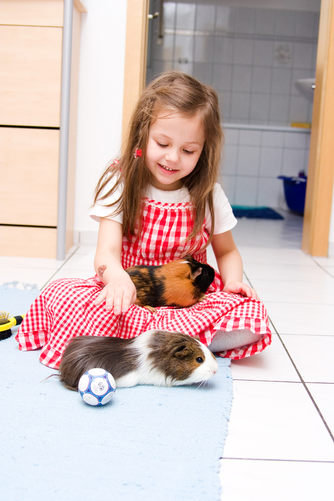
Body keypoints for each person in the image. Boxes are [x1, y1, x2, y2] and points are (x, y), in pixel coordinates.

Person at [16, 71, 271, 369]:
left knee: (253, 313)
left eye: (188, 150)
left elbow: (227, 251)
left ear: (203, 151)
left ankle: (141, 341)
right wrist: (116, 279)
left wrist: (233, 282)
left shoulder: (209, 195)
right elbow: (106, 253)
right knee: (60, 294)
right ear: (143, 134)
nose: (173, 158)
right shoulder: (122, 181)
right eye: (162, 143)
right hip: (128, 299)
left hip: (187, 306)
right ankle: (174, 341)